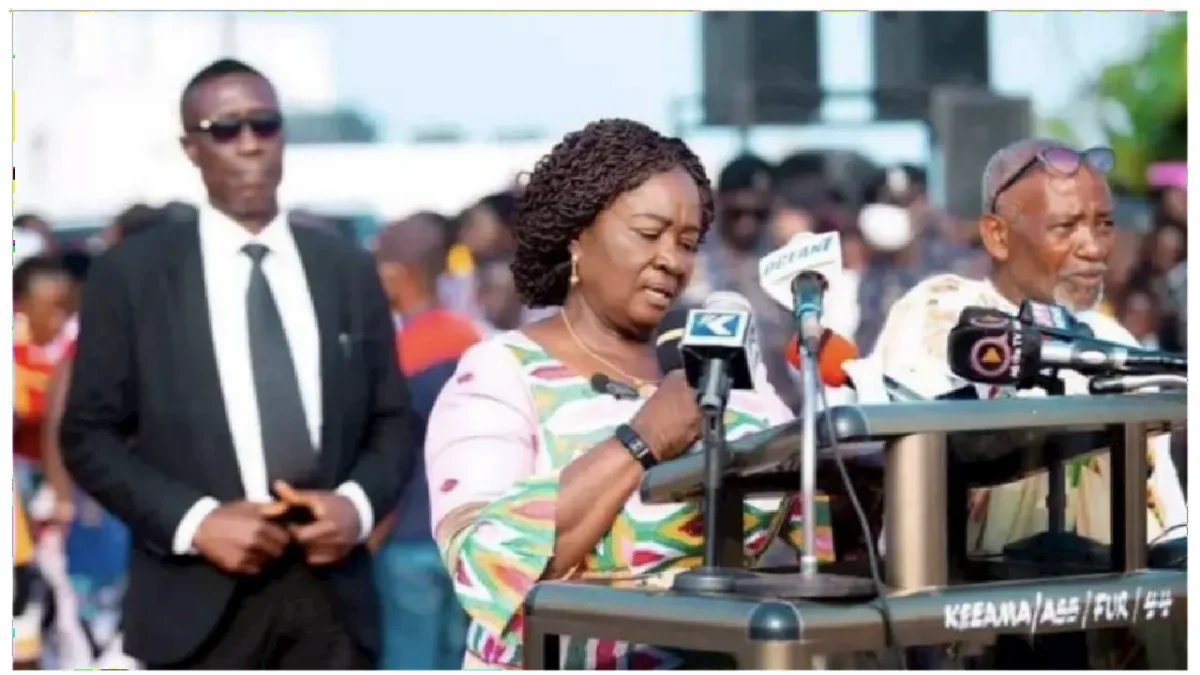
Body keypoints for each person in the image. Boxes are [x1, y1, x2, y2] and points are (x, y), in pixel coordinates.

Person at [425, 119, 833, 671]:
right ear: (578, 236)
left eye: (687, 243)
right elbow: (484, 568)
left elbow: (820, 539)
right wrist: (642, 440)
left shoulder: (722, 363)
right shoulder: (500, 373)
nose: (673, 259)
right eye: (649, 233)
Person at [59, 58, 415, 671]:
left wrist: (355, 506)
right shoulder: (134, 274)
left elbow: (394, 420)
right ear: (191, 146)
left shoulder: (345, 268)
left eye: (264, 124)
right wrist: (197, 522)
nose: (248, 143)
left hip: (331, 605)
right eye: (224, 128)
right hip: (195, 602)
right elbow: (88, 433)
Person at [871, 139, 1186, 554]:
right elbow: (951, 452)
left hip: (1104, 600)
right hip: (971, 596)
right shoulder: (941, 312)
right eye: (1065, 227)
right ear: (998, 235)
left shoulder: (1110, 338)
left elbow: (1162, 503)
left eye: (1104, 224)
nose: (1094, 248)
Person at [369, 214, 475, 671]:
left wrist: (372, 532)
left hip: (405, 537)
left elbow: (392, 449)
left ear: (396, 274)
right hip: (467, 539)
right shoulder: (471, 339)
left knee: (408, 659)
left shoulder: (400, 352)